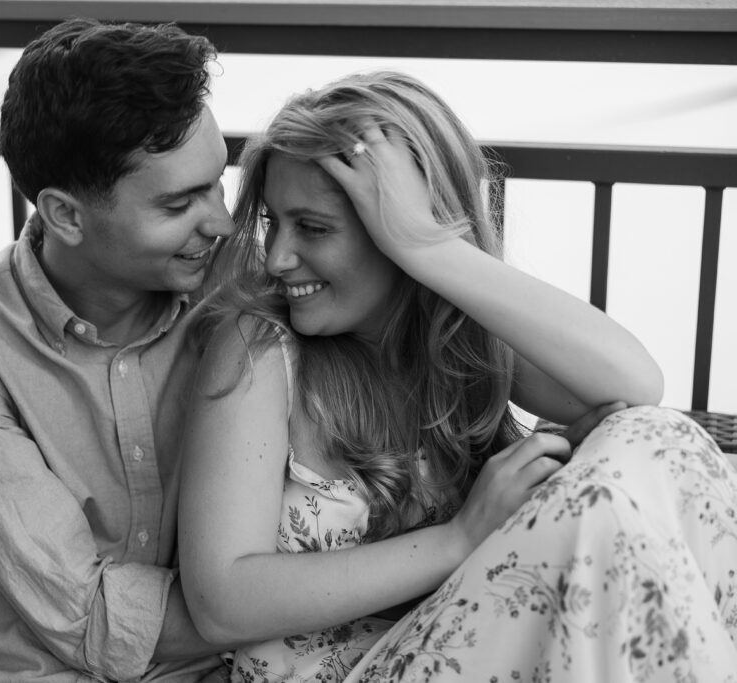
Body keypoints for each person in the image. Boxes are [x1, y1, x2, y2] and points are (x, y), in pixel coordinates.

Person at [179, 71, 737, 681]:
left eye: (313, 228)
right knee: (595, 508)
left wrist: (428, 250)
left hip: (481, 648)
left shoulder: (461, 342)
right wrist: (459, 539)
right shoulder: (259, 348)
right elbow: (220, 603)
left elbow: (636, 390)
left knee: (659, 438)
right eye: (273, 223)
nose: (279, 257)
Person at [0, 17, 238, 681]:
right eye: (181, 202)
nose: (222, 221)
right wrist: (269, 600)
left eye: (218, 181)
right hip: (9, 669)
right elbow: (85, 614)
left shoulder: (245, 287)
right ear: (66, 214)